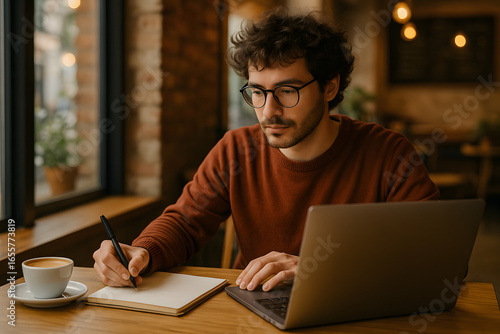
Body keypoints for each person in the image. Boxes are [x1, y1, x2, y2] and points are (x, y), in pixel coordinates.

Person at [93, 8, 439, 292]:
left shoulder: (389, 153)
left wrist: (324, 270)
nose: (269, 111)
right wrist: (142, 252)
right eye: (257, 92)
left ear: (329, 87)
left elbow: (434, 257)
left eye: (287, 91)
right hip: (253, 310)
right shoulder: (236, 150)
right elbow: (184, 223)